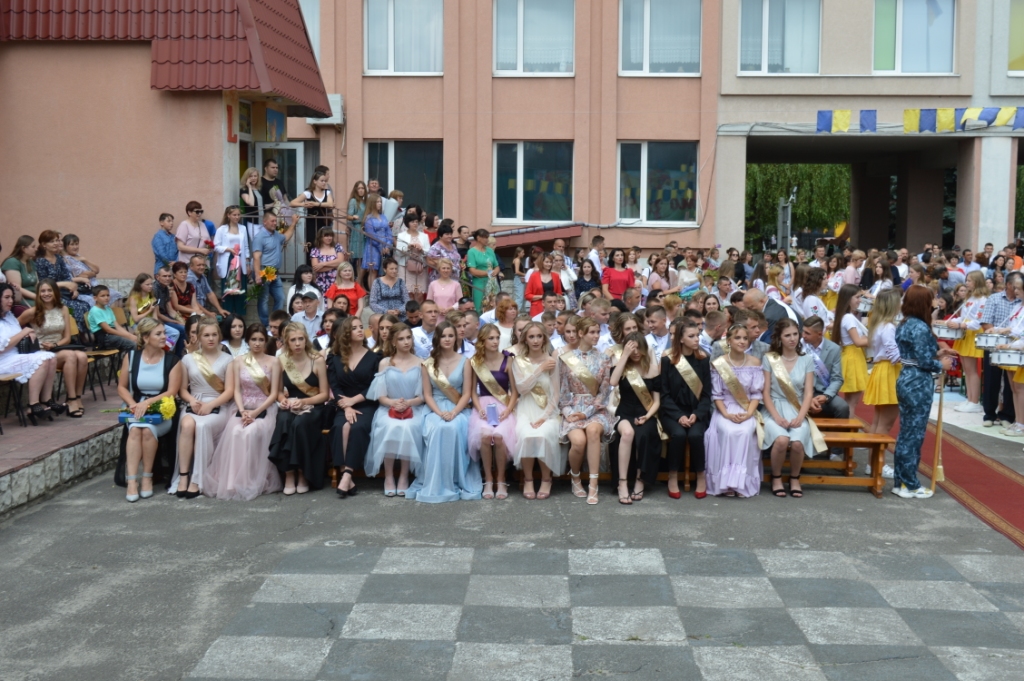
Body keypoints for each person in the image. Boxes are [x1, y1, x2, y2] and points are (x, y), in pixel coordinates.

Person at [204, 324, 283, 500]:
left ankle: (249, 480)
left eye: (261, 339)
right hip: (242, 407)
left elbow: (273, 394)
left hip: (265, 408)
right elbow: (237, 390)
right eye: (253, 339)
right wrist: (242, 410)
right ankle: (231, 481)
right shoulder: (238, 361)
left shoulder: (274, 361)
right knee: (235, 431)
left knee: (250, 432)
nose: (257, 343)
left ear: (266, 341)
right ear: (247, 341)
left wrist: (255, 413)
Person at [407, 322, 482, 502]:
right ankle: (437, 480)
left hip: (459, 408)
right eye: (443, 336)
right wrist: (440, 413)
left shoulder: (466, 362)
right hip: (435, 408)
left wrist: (454, 412)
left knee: (453, 428)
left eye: (450, 335)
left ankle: (455, 478)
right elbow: (427, 394)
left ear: (456, 338)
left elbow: (466, 394)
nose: (447, 339)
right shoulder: (428, 364)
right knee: (439, 428)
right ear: (437, 339)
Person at [893, 286, 954, 499]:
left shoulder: (905, 323)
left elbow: (916, 354)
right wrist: (940, 365)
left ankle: (901, 481)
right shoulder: (919, 327)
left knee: (907, 433)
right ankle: (910, 483)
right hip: (917, 382)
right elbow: (923, 361)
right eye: (930, 300)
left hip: (907, 377)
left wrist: (937, 353)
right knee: (914, 434)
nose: (933, 303)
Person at [115, 318, 182, 501]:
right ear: (145, 337)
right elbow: (121, 387)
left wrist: (148, 403)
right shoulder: (131, 357)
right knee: (135, 429)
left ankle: (147, 477)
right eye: (158, 334)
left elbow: (172, 391)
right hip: (136, 406)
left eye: (164, 333)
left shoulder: (173, 360)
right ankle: (132, 481)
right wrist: (133, 404)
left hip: (161, 409)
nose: (164, 337)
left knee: (147, 430)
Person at [168, 317, 235, 498]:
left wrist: (211, 405)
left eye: (214, 335)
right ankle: (183, 476)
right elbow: (182, 389)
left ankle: (198, 479)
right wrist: (191, 401)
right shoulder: (188, 359)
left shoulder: (228, 359)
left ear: (219, 336)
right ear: (198, 337)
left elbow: (229, 391)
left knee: (203, 425)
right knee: (187, 424)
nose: (211, 339)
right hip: (194, 403)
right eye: (206, 335)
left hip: (218, 404)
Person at [762, 319, 826, 498]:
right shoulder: (770, 359)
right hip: (773, 409)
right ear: (779, 338)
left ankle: (794, 478)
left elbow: (808, 393)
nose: (792, 339)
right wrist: (776, 417)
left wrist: (801, 416)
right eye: (787, 335)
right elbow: (765, 392)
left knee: (797, 443)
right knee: (782, 440)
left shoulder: (807, 359)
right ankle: (776, 478)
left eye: (795, 334)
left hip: (797, 408)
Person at [558, 317, 615, 505]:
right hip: (573, 408)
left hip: (596, 410)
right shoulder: (566, 359)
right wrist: (568, 412)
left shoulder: (604, 359)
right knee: (578, 442)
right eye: (592, 332)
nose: (596, 336)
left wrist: (587, 413)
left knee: (592, 432)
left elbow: (604, 393)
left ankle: (593, 484)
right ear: (581, 333)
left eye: (598, 332)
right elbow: (562, 390)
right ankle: (575, 478)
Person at [364, 323, 425, 496]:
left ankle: (404, 475)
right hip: (388, 408)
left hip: (413, 408)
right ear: (393, 342)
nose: (406, 342)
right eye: (401, 339)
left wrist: (408, 403)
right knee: (389, 426)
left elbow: (423, 396)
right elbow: (380, 395)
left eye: (408, 338)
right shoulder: (385, 363)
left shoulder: (421, 363)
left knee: (409, 427)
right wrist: (393, 403)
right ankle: (389, 476)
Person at [269, 322, 329, 494]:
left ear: (306, 339)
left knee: (300, 423)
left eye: (300, 339)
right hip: (291, 406)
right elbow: (278, 392)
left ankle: (303, 472)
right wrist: (284, 401)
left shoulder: (317, 360)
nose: (297, 343)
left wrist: (304, 402)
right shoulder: (282, 361)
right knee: (284, 419)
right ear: (287, 342)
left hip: (313, 407)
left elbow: (324, 395)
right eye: (293, 340)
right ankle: (289, 473)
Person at [705, 323, 764, 498]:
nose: (742, 341)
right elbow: (717, 395)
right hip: (725, 409)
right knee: (729, 431)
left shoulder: (755, 362)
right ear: (728, 341)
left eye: (745, 338)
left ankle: (741, 483)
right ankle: (726, 483)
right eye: (737, 338)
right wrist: (726, 414)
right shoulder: (719, 363)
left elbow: (756, 394)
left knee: (745, 432)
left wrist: (749, 414)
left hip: (747, 408)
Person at [326, 317, 382, 497]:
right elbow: (335, 386)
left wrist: (353, 401)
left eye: (361, 327)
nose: (360, 330)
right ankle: (346, 476)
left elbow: (375, 386)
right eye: (354, 328)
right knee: (339, 427)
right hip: (343, 404)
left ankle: (347, 473)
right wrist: (347, 406)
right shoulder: (335, 358)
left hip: (367, 403)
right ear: (345, 333)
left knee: (357, 427)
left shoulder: (374, 357)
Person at [660, 318, 712, 499]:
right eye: (691, 336)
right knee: (679, 434)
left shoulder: (703, 360)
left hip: (696, 411)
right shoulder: (667, 360)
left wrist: (697, 414)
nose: (697, 339)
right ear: (681, 339)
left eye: (697, 335)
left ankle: (700, 475)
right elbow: (664, 395)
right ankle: (673, 475)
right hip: (672, 412)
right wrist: (678, 416)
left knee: (696, 435)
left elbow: (707, 395)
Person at [510, 321, 562, 500]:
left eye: (539, 336)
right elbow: (522, 389)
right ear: (525, 339)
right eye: (531, 336)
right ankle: (528, 479)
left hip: (548, 411)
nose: (535, 340)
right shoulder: (518, 361)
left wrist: (544, 417)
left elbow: (556, 394)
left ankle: (547, 479)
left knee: (543, 435)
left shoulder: (552, 361)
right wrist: (540, 369)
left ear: (544, 338)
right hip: (526, 409)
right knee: (526, 435)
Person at [467, 324, 519, 500]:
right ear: (482, 341)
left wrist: (509, 410)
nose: (495, 341)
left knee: (499, 436)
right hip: (483, 406)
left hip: (504, 406)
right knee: (484, 435)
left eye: (497, 337)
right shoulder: (475, 362)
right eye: (491, 338)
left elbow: (515, 391)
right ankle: (488, 479)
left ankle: (501, 479)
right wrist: (479, 408)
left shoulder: (508, 359)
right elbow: (473, 392)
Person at [609, 333, 661, 505]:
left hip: (645, 413)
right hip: (624, 413)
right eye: (632, 349)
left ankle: (640, 480)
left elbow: (656, 401)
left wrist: (647, 416)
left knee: (645, 434)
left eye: (639, 348)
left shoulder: (653, 369)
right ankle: (622, 483)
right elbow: (613, 381)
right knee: (627, 433)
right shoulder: (622, 366)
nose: (636, 352)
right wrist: (624, 356)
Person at [18, 280, 83, 417]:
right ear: (38, 294)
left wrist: (55, 345)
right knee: (71, 355)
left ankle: (76, 398)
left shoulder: (63, 309)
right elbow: (14, 327)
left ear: (55, 292)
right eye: (42, 291)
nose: (46, 294)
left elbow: (67, 338)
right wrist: (27, 333)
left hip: (58, 347)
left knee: (82, 356)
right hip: (41, 351)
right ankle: (71, 399)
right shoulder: (32, 311)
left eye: (49, 290)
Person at [863, 289, 901, 477]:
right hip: (889, 371)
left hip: (882, 369)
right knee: (884, 424)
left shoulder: (879, 325)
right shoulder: (888, 327)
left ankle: (872, 464)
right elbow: (894, 355)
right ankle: (878, 464)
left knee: (877, 422)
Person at [944, 270, 987, 413]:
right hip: (965, 332)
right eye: (966, 280)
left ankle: (975, 401)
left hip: (972, 332)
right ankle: (969, 399)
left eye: (969, 280)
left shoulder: (982, 299)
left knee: (971, 370)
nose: (966, 283)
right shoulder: (970, 298)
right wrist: (949, 322)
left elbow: (978, 321)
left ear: (977, 282)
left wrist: (961, 325)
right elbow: (963, 317)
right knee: (966, 370)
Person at [34, 230, 90, 329]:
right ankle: (73, 334)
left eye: (56, 240)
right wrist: (64, 284)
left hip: (66, 293)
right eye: (52, 241)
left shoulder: (58, 258)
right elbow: (44, 283)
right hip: (51, 295)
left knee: (86, 305)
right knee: (76, 308)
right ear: (44, 245)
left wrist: (74, 289)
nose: (56, 243)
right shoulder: (40, 261)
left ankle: (83, 334)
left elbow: (66, 276)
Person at [252, 213, 297, 329]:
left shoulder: (276, 235)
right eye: (272, 221)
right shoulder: (260, 237)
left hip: (274, 272)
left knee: (280, 298)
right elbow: (256, 257)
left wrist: (293, 223)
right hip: (264, 270)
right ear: (264, 222)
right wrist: (257, 275)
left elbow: (286, 237)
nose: (274, 223)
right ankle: (266, 326)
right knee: (264, 299)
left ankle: (275, 323)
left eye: (275, 221)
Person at [833, 284, 869, 414]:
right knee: (852, 402)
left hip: (851, 355)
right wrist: (877, 339)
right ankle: (849, 426)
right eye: (857, 297)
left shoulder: (845, 316)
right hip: (853, 357)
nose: (860, 300)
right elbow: (858, 341)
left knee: (850, 401)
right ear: (848, 299)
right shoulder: (848, 317)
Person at [213, 206, 250, 316]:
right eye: (234, 215)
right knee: (228, 290)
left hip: (240, 260)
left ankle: (240, 316)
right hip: (228, 260)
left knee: (240, 290)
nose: (237, 217)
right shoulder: (221, 229)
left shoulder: (243, 228)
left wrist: (248, 263)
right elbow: (216, 246)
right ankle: (228, 317)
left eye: (238, 215)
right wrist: (228, 249)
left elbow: (246, 246)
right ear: (228, 215)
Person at [290, 170, 335, 250]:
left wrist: (316, 204)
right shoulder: (308, 193)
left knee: (324, 245)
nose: (324, 183)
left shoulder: (327, 192)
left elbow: (330, 204)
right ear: (315, 181)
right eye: (322, 181)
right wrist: (303, 204)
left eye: (325, 181)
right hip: (311, 223)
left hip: (324, 223)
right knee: (312, 244)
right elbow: (292, 203)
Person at [396, 212, 430, 302]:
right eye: (412, 222)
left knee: (420, 293)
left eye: (416, 221)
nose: (415, 224)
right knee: (408, 293)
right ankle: (409, 310)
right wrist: (408, 247)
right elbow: (398, 252)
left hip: (420, 267)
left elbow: (428, 251)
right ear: (407, 223)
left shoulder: (424, 236)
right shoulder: (401, 235)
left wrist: (421, 249)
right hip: (405, 267)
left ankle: (419, 310)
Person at [361, 193, 392, 288]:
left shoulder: (383, 216)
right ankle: (373, 293)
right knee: (373, 271)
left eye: (380, 202)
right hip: (373, 247)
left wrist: (388, 246)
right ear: (372, 203)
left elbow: (388, 232)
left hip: (385, 246)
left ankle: (381, 292)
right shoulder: (368, 219)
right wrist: (381, 247)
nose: (379, 204)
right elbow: (372, 236)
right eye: (377, 202)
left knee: (383, 271)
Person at [525, 252, 565, 317]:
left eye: (550, 262)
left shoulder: (556, 276)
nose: (549, 264)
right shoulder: (533, 276)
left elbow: (559, 293)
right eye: (547, 262)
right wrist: (543, 296)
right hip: (537, 308)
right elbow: (527, 295)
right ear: (541, 262)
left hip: (552, 308)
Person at [309, 227, 345, 293]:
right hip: (321, 282)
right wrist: (335, 265)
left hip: (337, 281)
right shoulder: (315, 250)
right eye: (326, 236)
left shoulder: (337, 247)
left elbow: (341, 262)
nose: (329, 238)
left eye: (331, 236)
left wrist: (323, 264)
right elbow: (316, 268)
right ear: (320, 237)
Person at [346, 181, 368, 279]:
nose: (361, 190)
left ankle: (361, 281)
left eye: (362, 188)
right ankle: (356, 280)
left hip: (365, 229)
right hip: (357, 229)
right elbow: (348, 216)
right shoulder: (353, 201)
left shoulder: (365, 201)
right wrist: (353, 217)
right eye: (359, 188)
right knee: (357, 256)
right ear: (356, 190)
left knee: (363, 258)